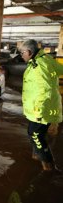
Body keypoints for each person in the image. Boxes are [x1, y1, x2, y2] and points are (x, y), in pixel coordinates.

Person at [20, 39, 63, 172]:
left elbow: (43, 92)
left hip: (41, 110)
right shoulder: (46, 59)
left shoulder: (38, 66)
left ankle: (48, 165)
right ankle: (37, 155)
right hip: (48, 106)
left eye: (22, 53)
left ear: (29, 52)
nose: (21, 56)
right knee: (37, 133)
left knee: (35, 134)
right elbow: (60, 69)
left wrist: (38, 113)